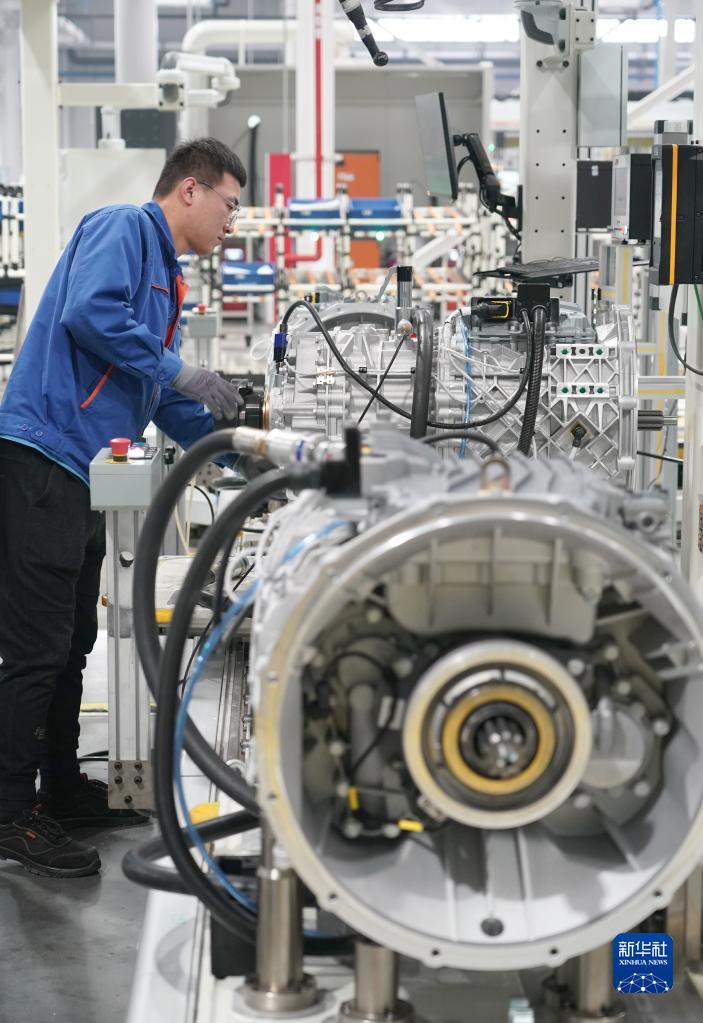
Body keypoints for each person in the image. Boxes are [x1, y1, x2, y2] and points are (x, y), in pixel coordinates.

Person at [0, 137, 246, 877]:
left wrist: (238, 452)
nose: (231, 223)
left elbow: (159, 394)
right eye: (230, 205)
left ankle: (60, 787)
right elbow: (90, 313)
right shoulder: (124, 228)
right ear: (191, 189)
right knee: (37, 647)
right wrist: (180, 367)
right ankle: (9, 814)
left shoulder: (168, 280)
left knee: (74, 639)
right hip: (44, 458)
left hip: (82, 473)